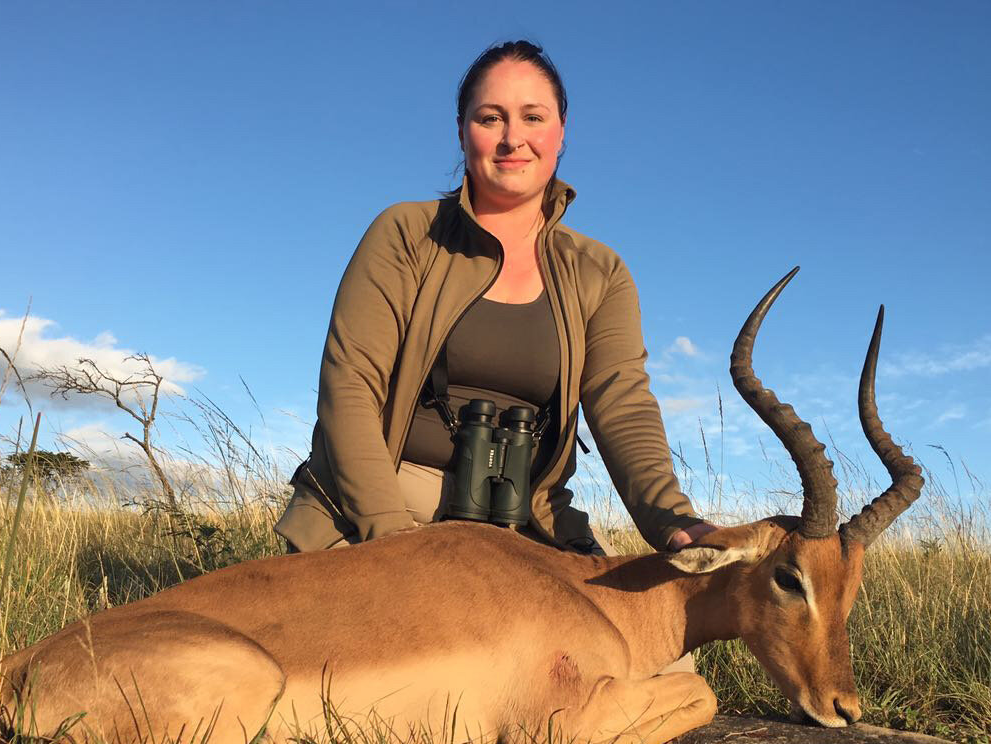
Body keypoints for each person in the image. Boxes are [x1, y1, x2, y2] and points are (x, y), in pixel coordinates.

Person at [275, 40, 717, 658]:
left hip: (527, 520)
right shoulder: (406, 233)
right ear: (463, 133)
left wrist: (675, 521)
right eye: (491, 118)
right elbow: (349, 387)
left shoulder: (600, 271)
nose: (514, 138)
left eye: (533, 117)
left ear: (561, 132)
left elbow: (623, 405)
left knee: (653, 671)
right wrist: (399, 549)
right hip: (390, 507)